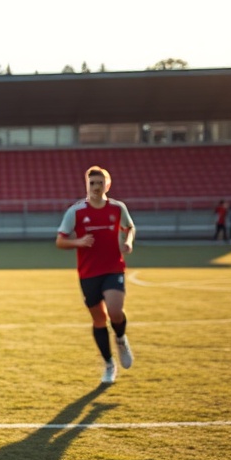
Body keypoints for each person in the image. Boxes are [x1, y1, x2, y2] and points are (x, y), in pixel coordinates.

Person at [56, 165, 135, 385]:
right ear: (87, 185)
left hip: (113, 268)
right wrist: (77, 242)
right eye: (92, 183)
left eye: (100, 183)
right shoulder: (76, 211)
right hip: (88, 273)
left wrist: (127, 242)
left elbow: (130, 227)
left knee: (115, 310)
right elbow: (60, 240)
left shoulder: (118, 208)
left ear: (107, 185)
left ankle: (120, 338)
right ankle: (109, 364)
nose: (96, 187)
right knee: (99, 319)